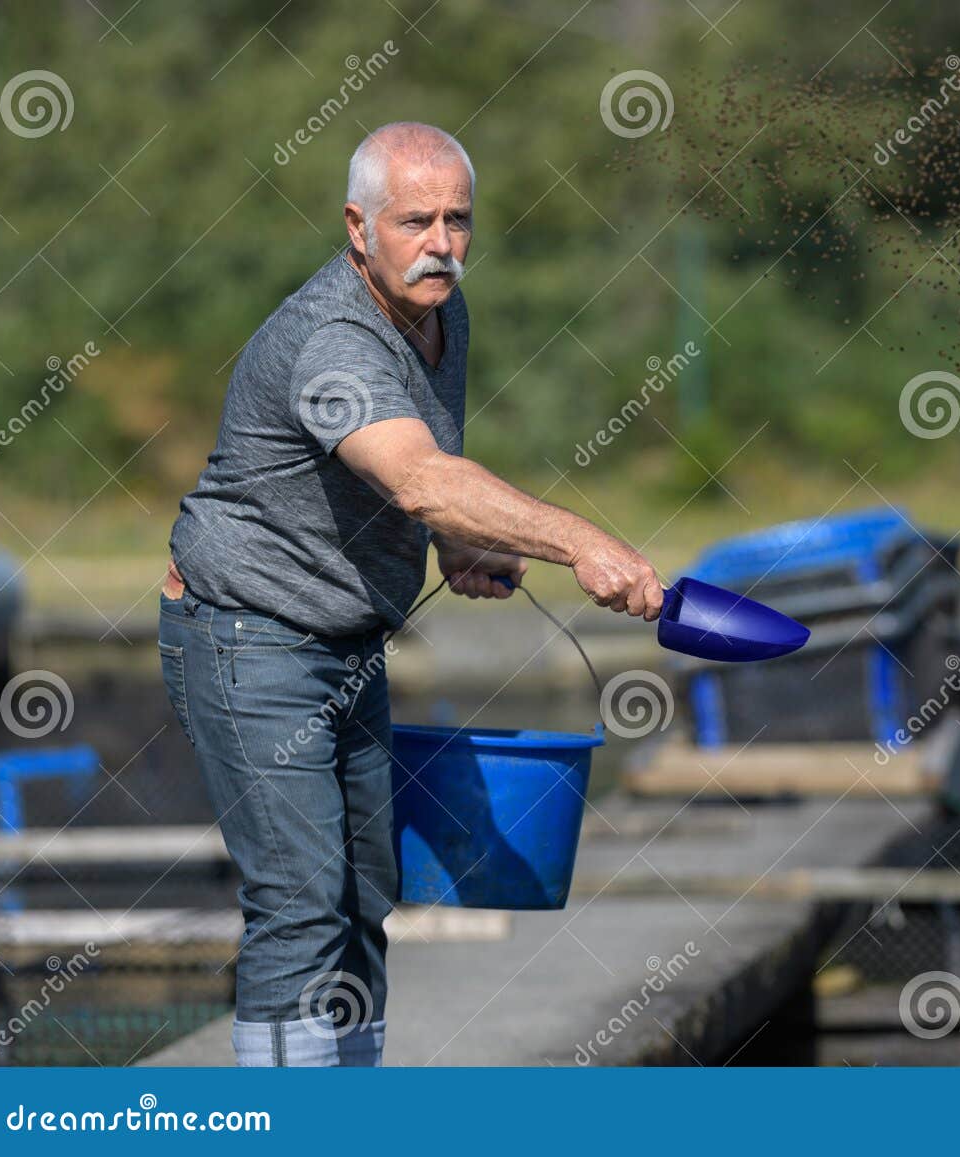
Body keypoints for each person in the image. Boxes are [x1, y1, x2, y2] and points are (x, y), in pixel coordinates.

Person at [159, 122, 661, 1066]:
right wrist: (582, 543)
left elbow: (423, 472)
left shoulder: (441, 313)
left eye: (459, 220)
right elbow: (421, 477)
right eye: (416, 220)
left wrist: (454, 543)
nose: (442, 243)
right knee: (301, 900)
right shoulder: (331, 343)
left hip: (346, 642)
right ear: (358, 227)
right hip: (246, 636)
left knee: (366, 894)